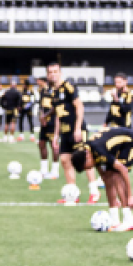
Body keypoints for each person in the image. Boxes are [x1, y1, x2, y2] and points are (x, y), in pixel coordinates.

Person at [48, 63, 101, 204]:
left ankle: (94, 192)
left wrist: (78, 128)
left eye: (55, 71)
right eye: (50, 72)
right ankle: (72, 195)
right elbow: (58, 116)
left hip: (76, 131)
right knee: (65, 160)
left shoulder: (68, 87)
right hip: (64, 133)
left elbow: (80, 106)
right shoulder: (53, 92)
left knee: (84, 160)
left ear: (60, 73)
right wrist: (56, 136)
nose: (53, 74)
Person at [71, 127, 133, 232]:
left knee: (116, 175)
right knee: (109, 177)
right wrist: (114, 200)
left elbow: (123, 170)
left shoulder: (99, 151)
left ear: (88, 158)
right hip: (115, 146)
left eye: (87, 167)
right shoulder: (89, 152)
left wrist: (130, 196)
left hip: (130, 142)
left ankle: (129, 220)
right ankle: (114, 220)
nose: (89, 169)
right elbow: (105, 177)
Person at [35, 76, 58, 179]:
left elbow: (56, 107)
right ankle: (44, 170)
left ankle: (55, 171)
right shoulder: (43, 91)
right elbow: (41, 106)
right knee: (41, 143)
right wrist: (41, 116)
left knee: (54, 145)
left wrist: (45, 116)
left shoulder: (56, 91)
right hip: (44, 122)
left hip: (53, 121)